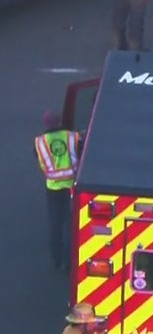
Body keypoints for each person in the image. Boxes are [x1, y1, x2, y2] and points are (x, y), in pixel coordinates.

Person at [34, 110, 81, 272]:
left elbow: (41, 163)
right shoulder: (72, 137)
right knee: (71, 224)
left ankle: (56, 259)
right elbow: (81, 155)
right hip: (72, 187)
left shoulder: (40, 143)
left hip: (53, 188)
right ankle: (69, 261)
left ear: (46, 123)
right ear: (60, 120)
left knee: (55, 224)